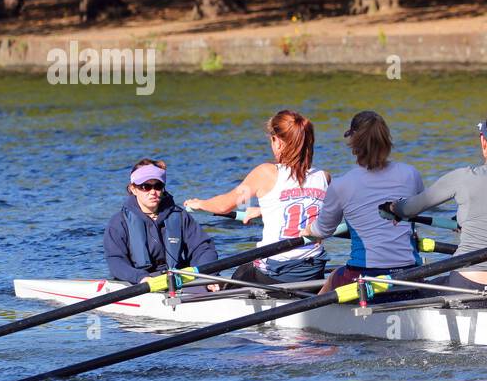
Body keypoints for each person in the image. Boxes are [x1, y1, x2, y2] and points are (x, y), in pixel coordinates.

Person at [383, 110, 487, 296]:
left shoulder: (463, 177)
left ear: (483, 141)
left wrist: (392, 208)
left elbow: (408, 209)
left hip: (464, 284)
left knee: (411, 291)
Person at [184, 110, 329, 284]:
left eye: (271, 139)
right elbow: (308, 208)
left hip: (277, 272)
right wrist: (264, 210)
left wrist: (201, 204)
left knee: (241, 273)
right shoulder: (323, 177)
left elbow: (226, 205)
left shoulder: (266, 173)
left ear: (278, 142)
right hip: (313, 270)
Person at [300, 111, 424, 292]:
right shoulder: (411, 174)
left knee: (336, 275)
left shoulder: (341, 185)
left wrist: (309, 229)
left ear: (352, 142)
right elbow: (417, 213)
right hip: (410, 275)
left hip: (366, 277)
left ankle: (311, 317)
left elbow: (324, 230)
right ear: (386, 140)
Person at [104, 159, 219, 287]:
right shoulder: (118, 223)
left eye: (157, 186)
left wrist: (208, 275)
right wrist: (140, 278)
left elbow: (203, 248)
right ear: (133, 189)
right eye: (145, 186)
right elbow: (116, 261)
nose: (152, 192)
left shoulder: (179, 216)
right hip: (140, 283)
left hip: (176, 279)